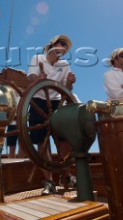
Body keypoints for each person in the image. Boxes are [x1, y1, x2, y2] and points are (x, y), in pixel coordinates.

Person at [27, 34, 76, 195]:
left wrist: (69, 82)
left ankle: (67, 176)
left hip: (57, 103)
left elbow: (66, 90)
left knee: (65, 139)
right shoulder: (38, 58)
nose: (63, 47)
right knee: (42, 142)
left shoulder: (65, 65)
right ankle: (49, 181)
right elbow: (31, 78)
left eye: (66, 46)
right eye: (61, 44)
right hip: (38, 101)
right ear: (52, 44)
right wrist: (37, 79)